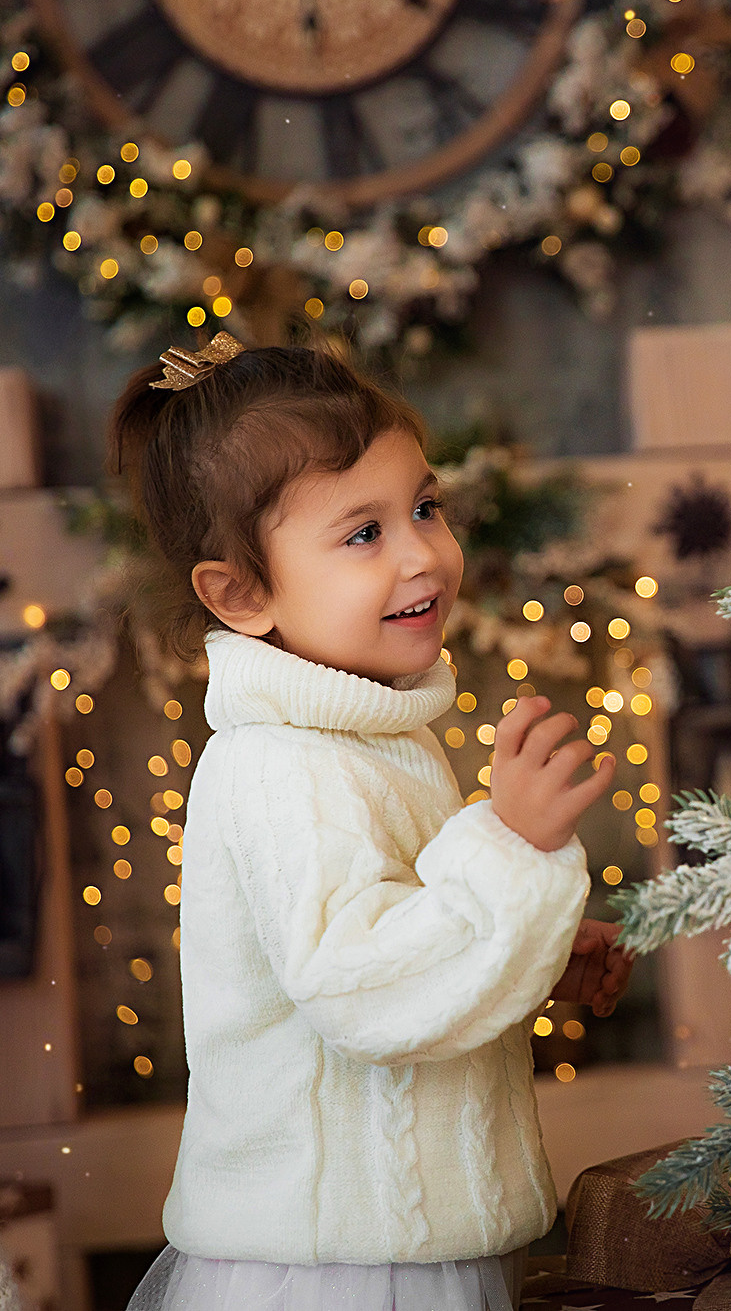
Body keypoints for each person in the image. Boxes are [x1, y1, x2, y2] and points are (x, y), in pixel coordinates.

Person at [113, 333, 632, 1311]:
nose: (422, 552)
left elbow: (414, 951)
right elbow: (360, 988)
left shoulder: (374, 736)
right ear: (242, 594)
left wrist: (533, 948)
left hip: (403, 1242)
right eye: (364, 533)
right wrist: (511, 847)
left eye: (425, 508)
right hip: (334, 1270)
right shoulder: (280, 764)